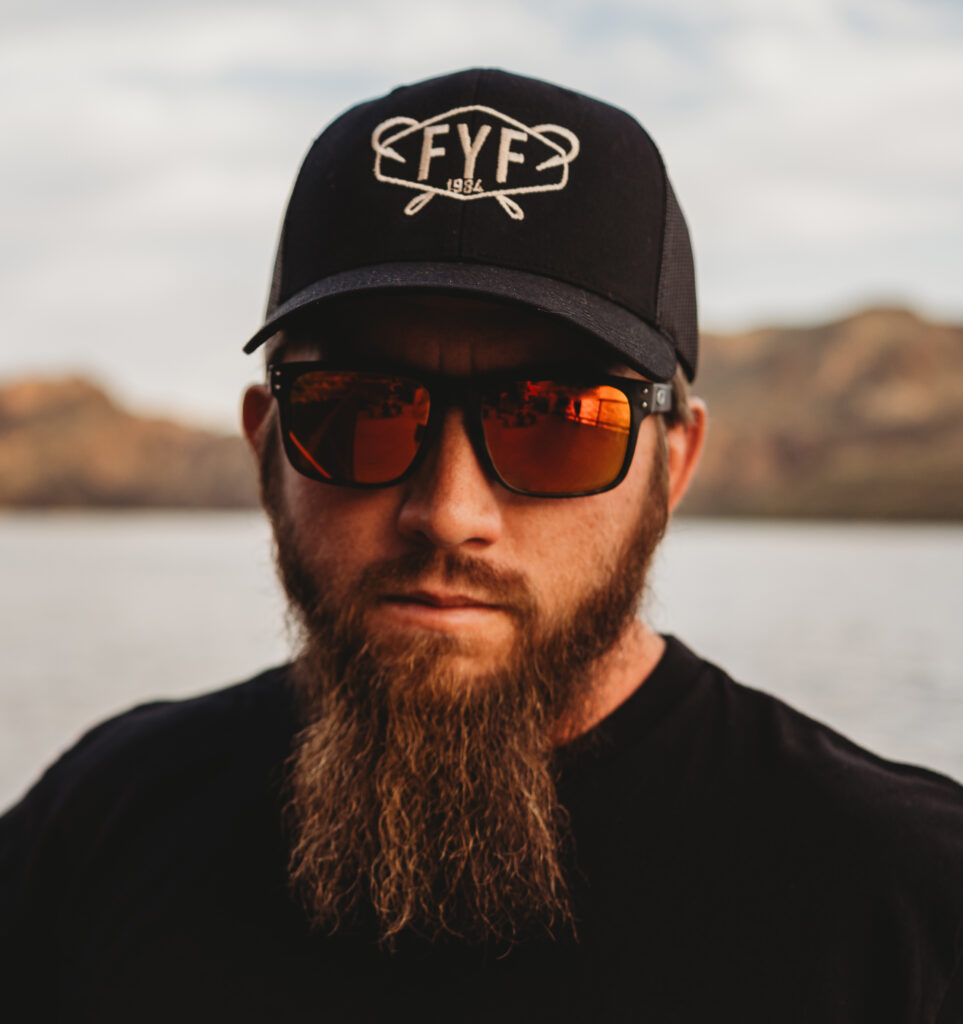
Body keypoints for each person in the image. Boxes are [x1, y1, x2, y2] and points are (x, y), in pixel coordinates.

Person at [1, 68, 961, 1024]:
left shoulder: (909, 905)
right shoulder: (99, 826)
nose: (449, 511)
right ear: (267, 449)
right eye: (359, 411)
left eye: (557, 420)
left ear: (672, 465)